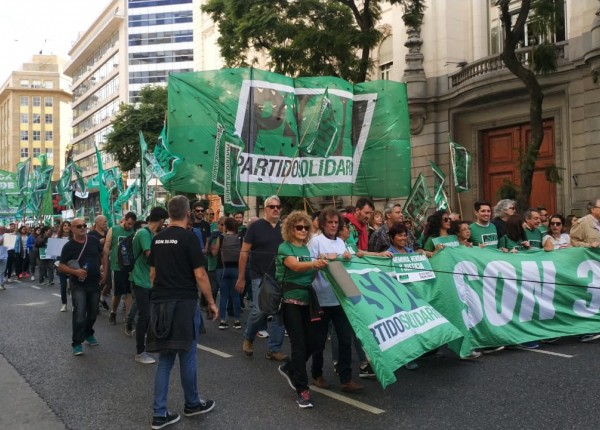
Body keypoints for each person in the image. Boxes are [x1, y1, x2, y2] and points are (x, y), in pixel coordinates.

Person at [146, 196, 217, 429]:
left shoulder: (157, 239)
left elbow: (153, 275)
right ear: (188, 213)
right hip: (184, 303)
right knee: (187, 355)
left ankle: (159, 414)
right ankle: (193, 404)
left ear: (169, 214)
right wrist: (211, 301)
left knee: (165, 359)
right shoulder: (189, 238)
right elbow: (200, 274)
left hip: (160, 303)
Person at [308, 208, 364, 393]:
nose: (333, 225)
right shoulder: (315, 241)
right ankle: (317, 374)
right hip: (322, 298)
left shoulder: (341, 242)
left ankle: (346, 379)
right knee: (319, 340)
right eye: (329, 222)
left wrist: (348, 258)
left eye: (335, 223)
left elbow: (348, 266)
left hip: (340, 298)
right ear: (323, 224)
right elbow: (309, 270)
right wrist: (320, 260)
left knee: (345, 339)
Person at [277, 211, 329, 408]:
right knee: (298, 346)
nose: (303, 230)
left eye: (306, 227)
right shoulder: (284, 247)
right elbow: (296, 267)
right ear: (290, 228)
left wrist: (319, 266)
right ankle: (302, 390)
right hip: (290, 302)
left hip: (309, 301)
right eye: (299, 227)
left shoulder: (307, 250)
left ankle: (290, 367)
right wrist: (314, 263)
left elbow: (309, 275)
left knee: (315, 342)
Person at [236, 195, 287, 361]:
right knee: (259, 310)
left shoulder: (284, 227)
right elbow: (244, 253)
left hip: (279, 275)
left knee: (279, 313)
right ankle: (249, 337)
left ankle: (274, 348)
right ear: (265, 209)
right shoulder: (255, 227)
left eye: (278, 207)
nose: (275, 209)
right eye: (272, 206)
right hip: (259, 275)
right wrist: (241, 277)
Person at [58, 218, 103, 356]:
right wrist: (75, 272)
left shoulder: (94, 241)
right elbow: (61, 266)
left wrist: (104, 271)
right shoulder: (69, 246)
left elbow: (103, 255)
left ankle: (89, 333)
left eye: (84, 225)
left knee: (94, 313)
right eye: (79, 226)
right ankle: (77, 343)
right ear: (72, 229)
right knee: (79, 314)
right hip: (78, 285)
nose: (82, 228)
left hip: (95, 282)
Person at [129, 207, 168, 365]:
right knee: (144, 316)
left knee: (150, 315)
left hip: (149, 280)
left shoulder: (151, 234)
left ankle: (142, 336)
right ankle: (140, 352)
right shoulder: (144, 233)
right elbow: (149, 255)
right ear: (160, 221)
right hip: (141, 280)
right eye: (163, 222)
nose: (163, 225)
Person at [102, 212, 137, 325]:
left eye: (132, 224)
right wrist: (105, 262)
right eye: (128, 223)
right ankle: (113, 312)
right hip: (117, 267)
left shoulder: (134, 231)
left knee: (128, 292)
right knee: (117, 293)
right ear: (124, 220)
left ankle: (128, 317)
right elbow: (106, 247)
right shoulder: (114, 229)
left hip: (130, 267)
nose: (130, 226)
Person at [213, 217, 242, 330]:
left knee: (224, 295)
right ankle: (237, 321)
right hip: (236, 268)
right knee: (235, 295)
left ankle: (223, 321)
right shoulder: (240, 238)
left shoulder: (220, 237)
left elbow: (215, 252)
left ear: (226, 226)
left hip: (222, 268)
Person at [55, 221, 72, 311]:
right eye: (64, 225)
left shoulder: (73, 238)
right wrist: (57, 263)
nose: (66, 227)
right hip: (61, 264)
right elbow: (54, 252)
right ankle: (64, 304)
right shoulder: (57, 238)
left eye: (68, 225)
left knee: (73, 285)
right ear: (62, 227)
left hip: (72, 264)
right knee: (63, 285)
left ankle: (74, 304)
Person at [0, 226, 7, 290]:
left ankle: (1, 284)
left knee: (2, 271)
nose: (3, 230)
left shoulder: (6, 236)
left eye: (4, 229)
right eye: (2, 229)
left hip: (4, 256)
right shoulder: (5, 237)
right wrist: (5, 238)